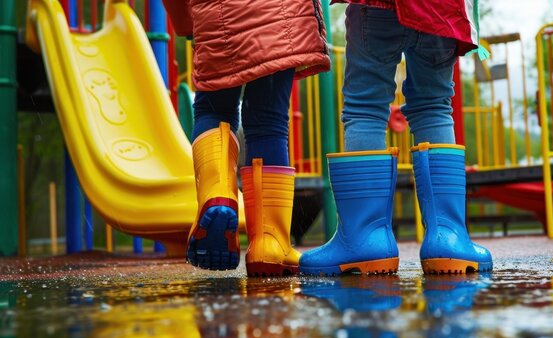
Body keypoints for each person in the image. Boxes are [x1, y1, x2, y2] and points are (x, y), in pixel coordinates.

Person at [299, 0, 493, 276]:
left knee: (365, 107)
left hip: (378, 6)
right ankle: (449, 239)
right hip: (442, 8)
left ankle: (365, 240)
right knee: (435, 106)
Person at [162, 0, 330, 276]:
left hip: (218, 17)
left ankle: (217, 194)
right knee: (269, 122)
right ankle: (270, 243)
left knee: (214, 110)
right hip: (284, 17)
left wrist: (186, 25)